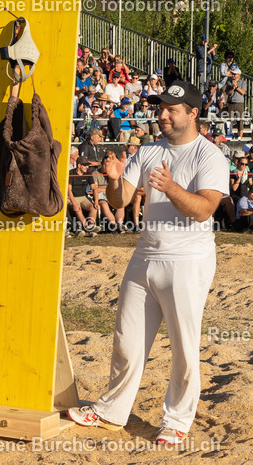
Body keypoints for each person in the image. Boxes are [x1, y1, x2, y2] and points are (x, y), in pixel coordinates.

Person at [67, 81, 229, 445]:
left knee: (184, 346)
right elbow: (122, 198)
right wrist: (112, 181)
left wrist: (171, 188)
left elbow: (204, 210)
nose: (163, 115)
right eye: (161, 108)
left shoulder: (209, 156)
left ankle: (176, 420)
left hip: (188, 260)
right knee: (126, 339)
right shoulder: (149, 151)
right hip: (145, 254)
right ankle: (111, 410)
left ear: (193, 113)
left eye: (172, 109)